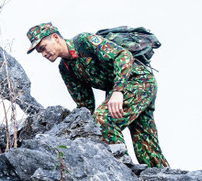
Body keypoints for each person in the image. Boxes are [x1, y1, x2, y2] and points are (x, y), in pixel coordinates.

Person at [26, 23, 168, 167]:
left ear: (55, 37)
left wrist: (118, 91)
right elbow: (86, 106)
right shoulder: (66, 69)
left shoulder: (84, 41)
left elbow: (123, 55)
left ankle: (123, 169)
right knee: (146, 144)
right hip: (120, 90)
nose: (43, 54)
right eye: (40, 52)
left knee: (104, 119)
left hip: (138, 81)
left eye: (43, 48)